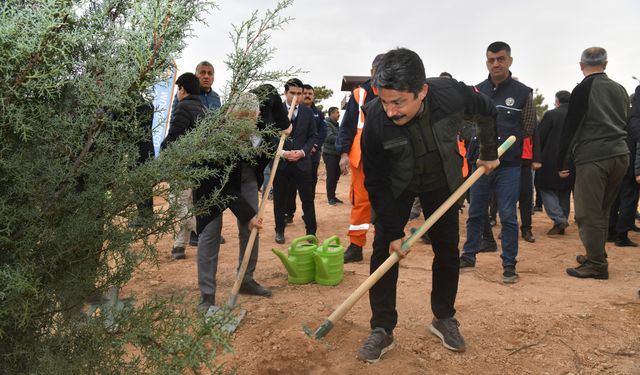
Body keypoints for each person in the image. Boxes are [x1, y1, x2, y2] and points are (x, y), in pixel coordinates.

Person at [356, 48, 499, 363]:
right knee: (384, 251)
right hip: (397, 185)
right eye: (385, 101)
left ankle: (443, 317)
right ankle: (381, 328)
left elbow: (487, 110)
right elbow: (376, 181)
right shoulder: (377, 119)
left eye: (399, 102)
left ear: (422, 91)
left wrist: (489, 151)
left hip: (442, 181)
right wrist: (393, 230)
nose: (391, 111)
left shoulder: (451, 94)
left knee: (447, 248)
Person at [194, 86, 291, 313]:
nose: (246, 123)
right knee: (210, 233)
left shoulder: (258, 129)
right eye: (241, 118)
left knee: (251, 230)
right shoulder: (215, 136)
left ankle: (246, 280)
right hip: (213, 185)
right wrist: (247, 214)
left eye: (250, 118)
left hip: (245, 177)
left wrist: (285, 142)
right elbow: (222, 185)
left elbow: (271, 137)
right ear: (230, 115)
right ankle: (207, 295)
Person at [460, 41, 537, 284]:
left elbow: (528, 126)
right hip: (480, 164)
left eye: (501, 59)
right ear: (486, 62)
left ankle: (509, 264)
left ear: (509, 61)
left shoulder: (523, 92)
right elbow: (466, 122)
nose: (496, 64)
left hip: (509, 166)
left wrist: (506, 149)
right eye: (492, 60)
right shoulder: (476, 91)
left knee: (507, 215)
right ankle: (469, 256)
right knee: (475, 212)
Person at [560, 47, 629, 280]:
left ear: (581, 65)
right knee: (603, 209)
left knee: (587, 213)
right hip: (620, 154)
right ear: (606, 63)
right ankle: (596, 253)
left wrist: (562, 160)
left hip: (594, 156)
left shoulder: (583, 89)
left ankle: (597, 264)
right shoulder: (620, 89)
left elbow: (570, 126)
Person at [335, 53, 385, 263]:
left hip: (387, 158)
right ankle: (356, 246)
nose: (379, 74)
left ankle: (383, 245)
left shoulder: (397, 91)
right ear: (371, 70)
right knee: (361, 203)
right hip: (362, 158)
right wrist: (344, 154)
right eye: (377, 70)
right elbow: (347, 127)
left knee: (386, 203)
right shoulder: (359, 94)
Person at [172, 61, 223, 247]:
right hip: (186, 154)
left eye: (210, 73)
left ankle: (199, 233)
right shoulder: (184, 94)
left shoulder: (216, 98)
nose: (206, 76)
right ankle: (179, 242)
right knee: (182, 199)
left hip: (209, 155)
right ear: (196, 75)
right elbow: (175, 122)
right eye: (202, 72)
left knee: (203, 196)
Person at [161, 73, 206, 260]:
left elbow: (175, 136)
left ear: (182, 89)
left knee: (178, 205)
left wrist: (163, 149)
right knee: (185, 203)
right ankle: (179, 245)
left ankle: (204, 231)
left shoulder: (182, 107)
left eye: (178, 89)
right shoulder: (202, 108)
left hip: (182, 164)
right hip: (196, 164)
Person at [272, 78, 317, 244]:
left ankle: (311, 232)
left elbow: (313, 135)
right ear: (285, 93)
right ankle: (279, 230)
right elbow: (269, 135)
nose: (296, 96)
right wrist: (283, 152)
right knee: (280, 199)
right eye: (293, 93)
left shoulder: (307, 112)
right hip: (281, 163)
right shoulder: (275, 111)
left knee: (307, 198)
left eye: (299, 93)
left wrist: (303, 152)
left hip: (302, 163)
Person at [283, 84, 327, 222]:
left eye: (310, 93)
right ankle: (289, 212)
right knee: (290, 187)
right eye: (305, 93)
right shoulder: (289, 111)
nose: (307, 95)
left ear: (313, 96)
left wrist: (314, 146)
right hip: (293, 155)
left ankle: (307, 215)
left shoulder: (318, 113)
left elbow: (321, 132)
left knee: (308, 188)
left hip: (311, 157)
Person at [532, 90, 573, 236]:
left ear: (557, 101)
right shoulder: (578, 116)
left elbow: (540, 136)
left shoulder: (551, 114)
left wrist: (536, 156)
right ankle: (560, 223)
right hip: (571, 159)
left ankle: (559, 218)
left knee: (545, 188)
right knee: (564, 191)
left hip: (550, 159)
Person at [608, 85, 640, 247]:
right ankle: (621, 235)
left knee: (614, 199)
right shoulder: (637, 118)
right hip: (631, 165)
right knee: (629, 199)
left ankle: (610, 232)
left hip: (617, 161)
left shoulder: (622, 115)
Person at [322, 107, 344, 205]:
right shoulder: (326, 124)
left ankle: (333, 196)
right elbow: (330, 137)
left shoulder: (336, 125)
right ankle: (330, 198)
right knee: (331, 176)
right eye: (337, 112)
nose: (339, 114)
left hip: (336, 154)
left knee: (336, 176)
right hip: (329, 154)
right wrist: (343, 138)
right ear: (331, 113)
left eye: (339, 112)